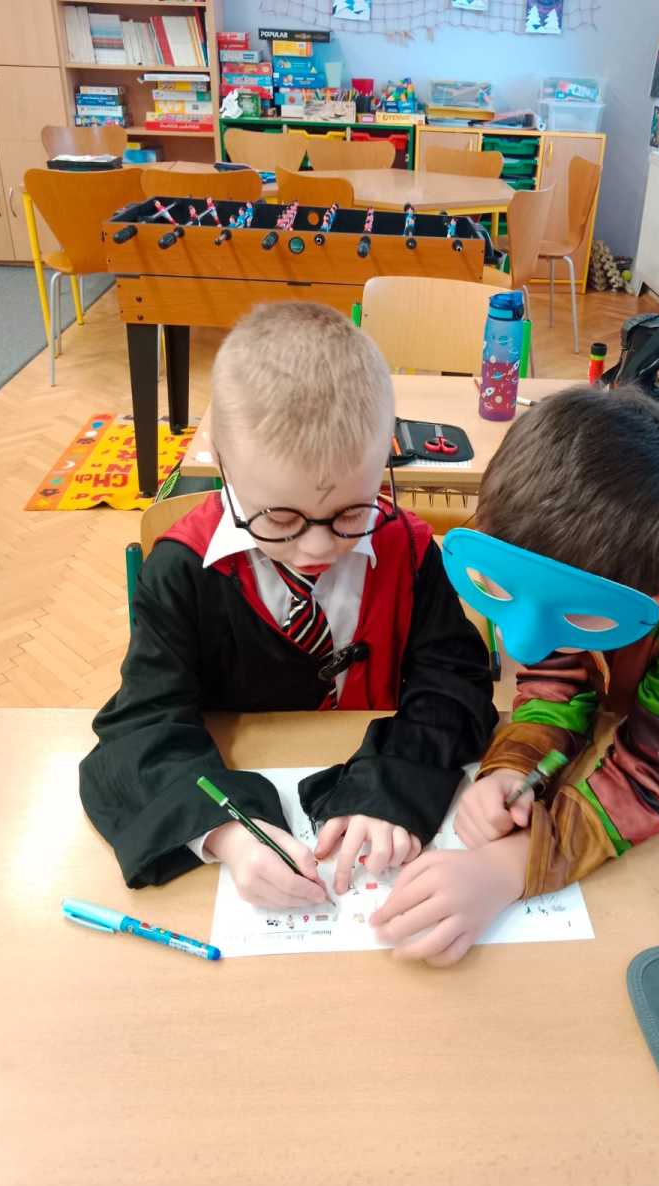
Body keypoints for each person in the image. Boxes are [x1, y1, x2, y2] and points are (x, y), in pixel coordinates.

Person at [372, 385, 659, 965]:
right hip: (628, 664)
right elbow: (554, 668)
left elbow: (655, 770)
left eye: (574, 617)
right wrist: (514, 766)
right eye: (504, 592)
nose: (520, 645)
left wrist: (513, 864)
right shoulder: (551, 539)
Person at [79, 302, 496, 903]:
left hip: (365, 800)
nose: (317, 547)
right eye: (279, 518)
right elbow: (143, 724)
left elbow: (453, 683)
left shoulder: (406, 550)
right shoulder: (181, 571)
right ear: (222, 464)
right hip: (236, 798)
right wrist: (225, 833)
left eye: (352, 511)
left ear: (384, 461)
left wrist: (393, 785)